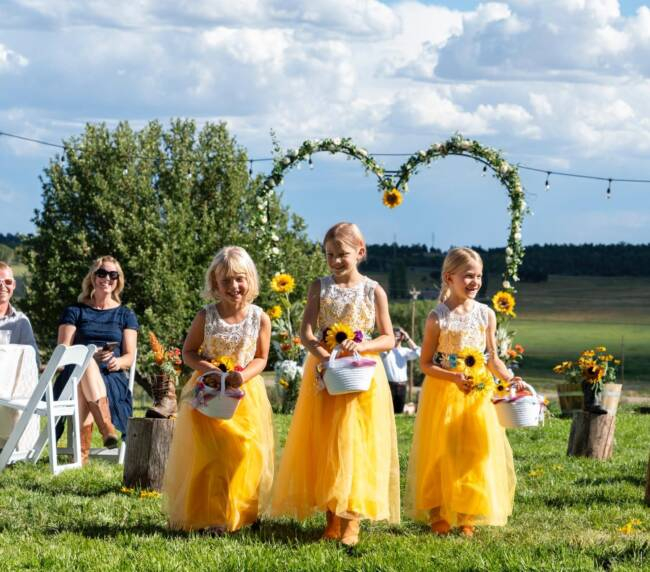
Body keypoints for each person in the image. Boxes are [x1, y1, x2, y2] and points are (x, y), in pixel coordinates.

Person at [271, 222, 400, 547]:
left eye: (342, 254)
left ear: (360, 252)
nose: (336, 261)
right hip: (325, 374)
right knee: (327, 443)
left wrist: (363, 347)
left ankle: (352, 520)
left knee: (356, 444)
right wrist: (324, 357)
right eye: (330, 255)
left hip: (362, 375)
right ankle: (331, 517)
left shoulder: (373, 290)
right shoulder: (320, 287)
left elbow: (388, 337)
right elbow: (307, 333)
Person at [407, 247, 524, 537]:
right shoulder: (438, 317)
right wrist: (453, 377)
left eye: (479, 276)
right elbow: (425, 364)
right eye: (468, 276)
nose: (474, 282)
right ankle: (438, 513)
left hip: (477, 393)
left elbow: (493, 358)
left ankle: (466, 513)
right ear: (449, 277)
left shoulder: (486, 315)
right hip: (444, 391)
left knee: (474, 450)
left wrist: (510, 379)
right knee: (441, 449)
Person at [163, 246, 274, 534]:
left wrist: (242, 375)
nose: (234, 287)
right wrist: (209, 370)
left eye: (239, 279)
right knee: (209, 456)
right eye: (225, 281)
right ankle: (208, 517)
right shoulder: (207, 316)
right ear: (214, 284)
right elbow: (188, 352)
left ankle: (241, 514)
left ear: (250, 280)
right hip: (208, 394)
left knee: (244, 452)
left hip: (244, 394)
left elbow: (262, 357)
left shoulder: (259, 318)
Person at [55, 256, 138, 463]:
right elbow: (63, 350)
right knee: (86, 363)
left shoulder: (125, 315)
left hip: (110, 376)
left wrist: (116, 362)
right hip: (74, 373)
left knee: (85, 379)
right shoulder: (75, 311)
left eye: (113, 274)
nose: (107, 278)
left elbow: (129, 357)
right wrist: (89, 353)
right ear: (93, 278)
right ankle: (106, 429)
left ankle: (81, 456)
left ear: (118, 280)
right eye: (101, 273)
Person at [0, 261, 40, 362]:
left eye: (7, 282)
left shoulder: (21, 322)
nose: (2, 286)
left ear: (13, 285)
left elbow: (33, 360)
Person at [380, 327, 420, 414]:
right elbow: (383, 353)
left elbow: (418, 353)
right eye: (394, 336)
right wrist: (390, 341)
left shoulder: (405, 351)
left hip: (402, 385)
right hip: (389, 385)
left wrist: (407, 338)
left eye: (398, 336)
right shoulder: (386, 351)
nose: (397, 338)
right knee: (388, 412)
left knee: (399, 412)